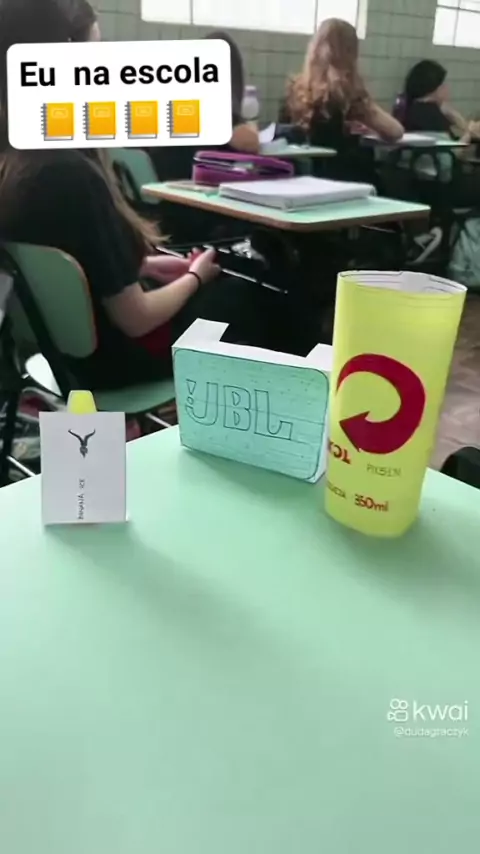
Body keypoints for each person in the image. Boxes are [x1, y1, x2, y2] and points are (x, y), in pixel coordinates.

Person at [0, 0, 282, 390]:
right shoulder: (72, 176)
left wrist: (142, 266)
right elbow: (136, 318)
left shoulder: (16, 164)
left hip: (53, 357)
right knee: (253, 297)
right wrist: (195, 278)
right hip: (117, 364)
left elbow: (73, 267)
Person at [282, 18, 403, 181]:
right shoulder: (348, 92)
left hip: (303, 176)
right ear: (350, 52)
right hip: (346, 177)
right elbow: (395, 132)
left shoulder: (295, 89)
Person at [399, 60, 480, 142]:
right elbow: (450, 148)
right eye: (443, 84)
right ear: (434, 88)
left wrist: (456, 118)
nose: (447, 88)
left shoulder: (413, 108)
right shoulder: (430, 114)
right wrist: (468, 133)